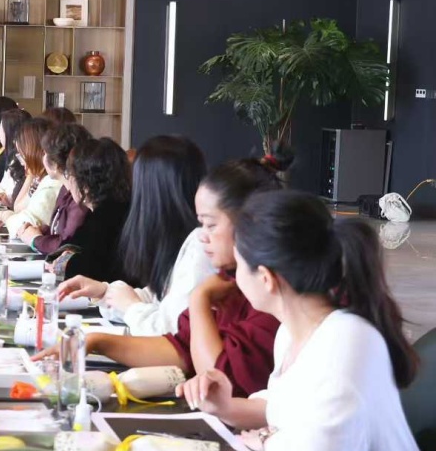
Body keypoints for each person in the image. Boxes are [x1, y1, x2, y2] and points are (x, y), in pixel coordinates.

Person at [178, 190, 436, 451]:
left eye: (240, 267)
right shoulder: (293, 331)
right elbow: (281, 406)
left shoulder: (349, 340)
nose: (234, 278)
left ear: (266, 279)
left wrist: (268, 441)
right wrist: (228, 407)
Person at [39, 157, 285, 397]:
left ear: (250, 224)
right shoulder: (227, 278)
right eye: (201, 224)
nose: (202, 236)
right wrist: (95, 342)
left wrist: (199, 299)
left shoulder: (267, 295)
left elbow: (219, 379)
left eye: (211, 225)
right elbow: (179, 348)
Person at [57, 135, 211, 335]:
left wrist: (130, 306)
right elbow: (158, 300)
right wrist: (105, 292)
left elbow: (171, 332)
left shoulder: (200, 247)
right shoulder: (178, 239)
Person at [46, 137, 131, 282]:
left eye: (69, 174)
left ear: (85, 183)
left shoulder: (105, 219)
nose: (69, 181)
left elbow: (81, 268)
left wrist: (62, 263)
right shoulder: (112, 209)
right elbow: (67, 249)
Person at [17, 123, 93, 253]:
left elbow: (67, 245)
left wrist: (35, 240)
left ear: (55, 162)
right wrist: (43, 231)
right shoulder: (65, 188)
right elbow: (62, 231)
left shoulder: (80, 196)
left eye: (45, 153)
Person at [0, 117, 56, 232]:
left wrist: (5, 216)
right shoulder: (38, 179)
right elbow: (18, 209)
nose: (21, 162)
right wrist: (31, 174)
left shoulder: (51, 183)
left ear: (35, 153)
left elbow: (29, 223)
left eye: (22, 155)